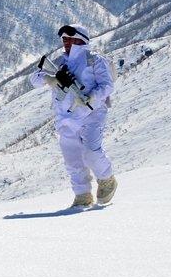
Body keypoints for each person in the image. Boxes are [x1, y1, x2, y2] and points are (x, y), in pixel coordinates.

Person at [29, 24, 118, 208]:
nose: (67, 43)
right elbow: (34, 79)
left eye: (71, 39)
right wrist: (49, 79)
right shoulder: (61, 62)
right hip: (66, 117)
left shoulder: (94, 60)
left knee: (91, 153)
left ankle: (107, 180)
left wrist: (90, 99)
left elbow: (107, 86)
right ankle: (82, 195)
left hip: (91, 113)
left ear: (81, 40)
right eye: (64, 40)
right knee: (73, 160)